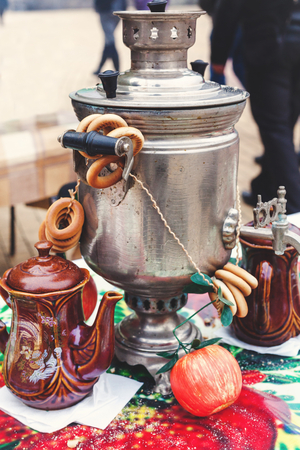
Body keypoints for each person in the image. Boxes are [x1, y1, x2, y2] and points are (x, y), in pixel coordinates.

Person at [210, 0, 300, 214]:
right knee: (283, 125)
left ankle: (296, 207)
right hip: (293, 44)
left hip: (269, 47)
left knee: (276, 128)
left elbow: (229, 10)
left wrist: (218, 61)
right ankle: (266, 186)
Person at [93, 0, 126, 75]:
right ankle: (100, 67)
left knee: (110, 41)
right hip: (118, 10)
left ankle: (117, 70)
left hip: (106, 10)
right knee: (108, 40)